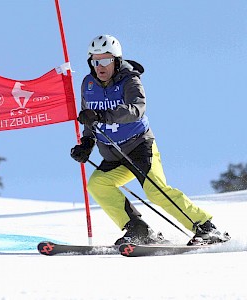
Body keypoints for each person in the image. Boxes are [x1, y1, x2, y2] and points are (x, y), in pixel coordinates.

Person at [71, 34, 229, 246]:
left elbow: (136, 109)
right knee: (98, 184)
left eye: (106, 60)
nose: (101, 66)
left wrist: (103, 115)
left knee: (155, 190)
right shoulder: (88, 84)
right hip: (114, 153)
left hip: (139, 146)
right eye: (96, 60)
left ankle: (205, 227)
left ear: (117, 60)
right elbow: (88, 118)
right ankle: (138, 229)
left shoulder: (130, 79)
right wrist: (87, 144)